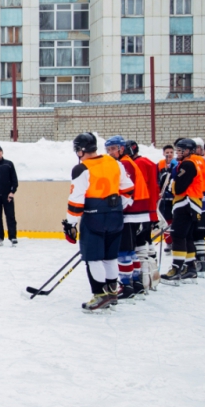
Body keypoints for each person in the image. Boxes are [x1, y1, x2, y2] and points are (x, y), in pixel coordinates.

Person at [62, 133, 134, 312]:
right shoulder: (115, 162)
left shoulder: (81, 168)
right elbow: (128, 189)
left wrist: (70, 224)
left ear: (80, 150)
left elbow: (76, 199)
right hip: (116, 216)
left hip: (93, 218)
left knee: (93, 258)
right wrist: (117, 207)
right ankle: (111, 293)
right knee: (110, 257)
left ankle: (100, 295)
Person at [105, 136, 150, 301]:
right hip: (136, 211)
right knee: (131, 250)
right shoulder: (127, 161)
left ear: (121, 149)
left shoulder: (123, 163)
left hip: (130, 212)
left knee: (123, 251)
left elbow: (123, 189)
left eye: (113, 149)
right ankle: (136, 283)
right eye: (108, 150)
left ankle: (126, 284)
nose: (110, 153)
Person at [161, 139, 202, 285]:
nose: (178, 152)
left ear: (189, 150)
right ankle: (190, 268)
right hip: (192, 204)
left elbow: (178, 188)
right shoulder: (192, 162)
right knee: (187, 236)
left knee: (177, 235)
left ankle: (176, 269)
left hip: (186, 203)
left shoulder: (188, 164)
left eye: (181, 150)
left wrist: (171, 184)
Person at [126, 140, 160, 291]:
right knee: (146, 244)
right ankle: (151, 278)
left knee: (138, 247)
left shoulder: (138, 164)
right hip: (150, 210)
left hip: (139, 210)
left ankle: (143, 281)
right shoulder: (149, 162)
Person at [190, 138, 205, 276]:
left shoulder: (194, 161)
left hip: (193, 200)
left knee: (197, 232)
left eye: (199, 147)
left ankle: (199, 261)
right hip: (201, 200)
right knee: (197, 232)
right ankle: (200, 261)